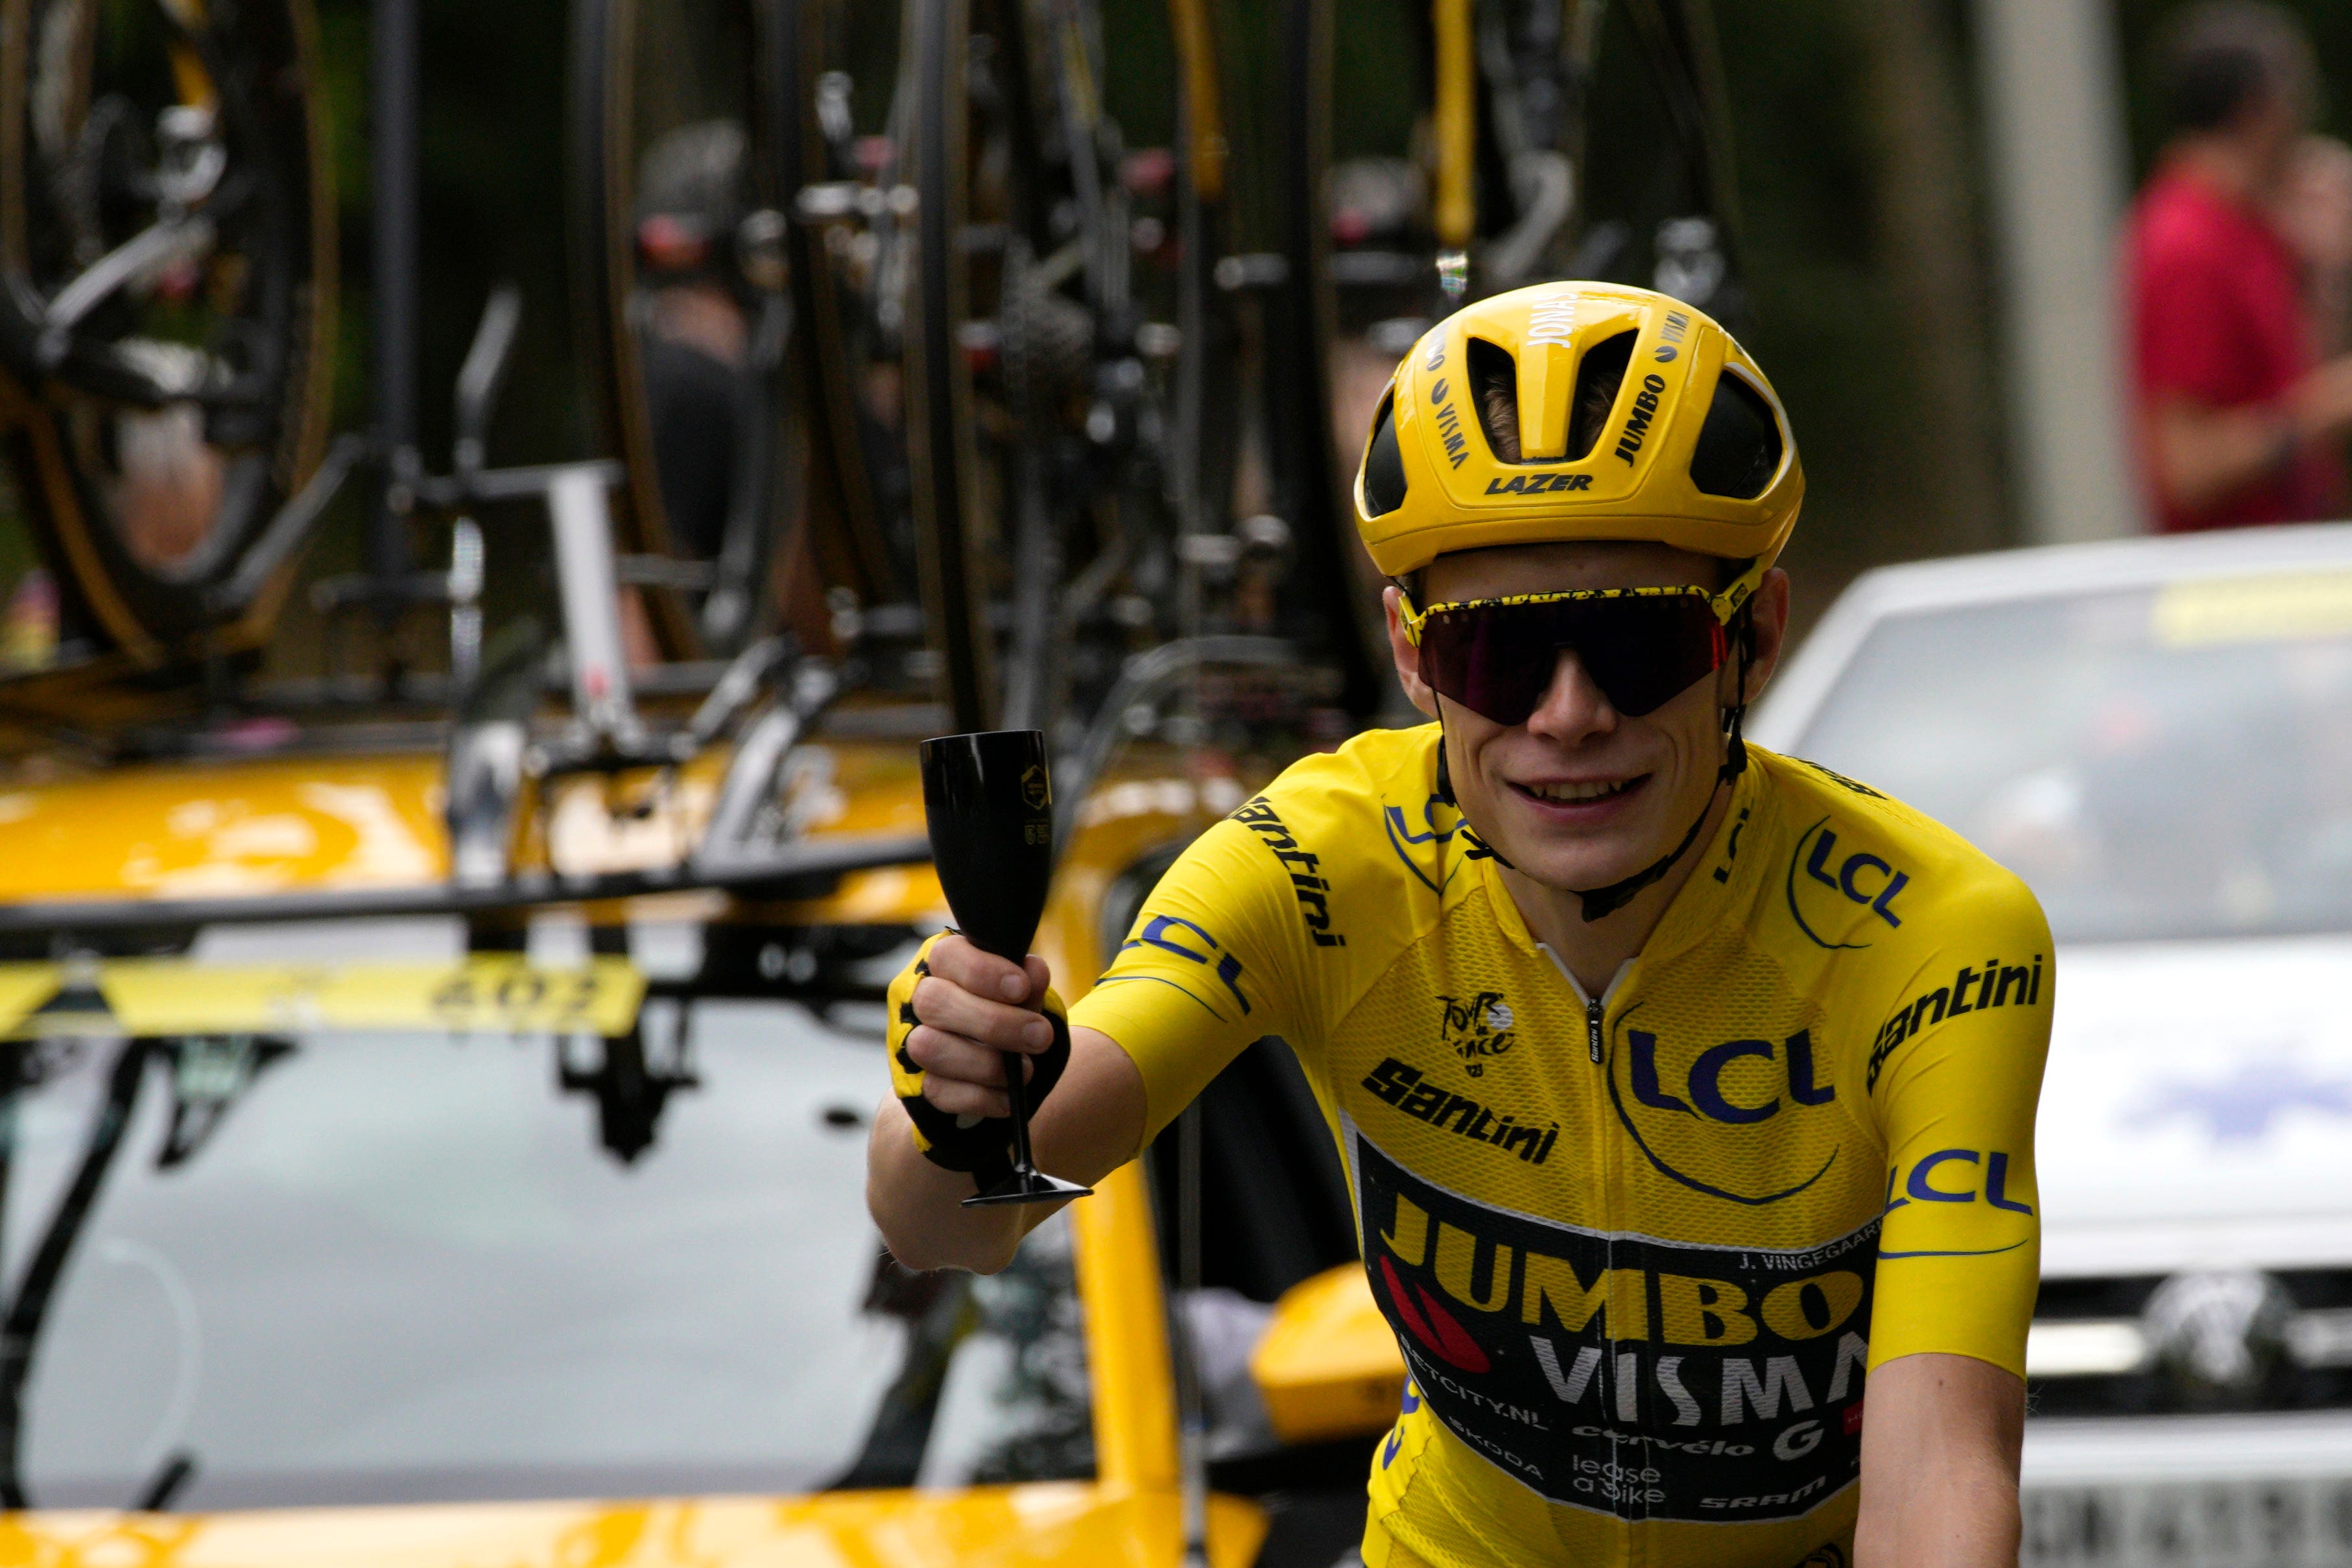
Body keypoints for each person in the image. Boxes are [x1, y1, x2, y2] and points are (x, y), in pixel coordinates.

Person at [868, 281, 2052, 1567]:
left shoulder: (1933, 939)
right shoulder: (1316, 861)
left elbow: (1940, 1469)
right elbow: (951, 1226)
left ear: (1750, 637)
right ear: (1410, 651)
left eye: (1636, 644)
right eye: (1494, 656)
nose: (1565, 715)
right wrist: (953, 1092)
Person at [2126, 2, 2352, 532]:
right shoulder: (2185, 243)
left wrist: (2325, 273)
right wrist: (2328, 409)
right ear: (2258, 109)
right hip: (2228, 591)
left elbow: (2290, 380)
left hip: (2276, 566)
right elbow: (2188, 469)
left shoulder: (2248, 227)